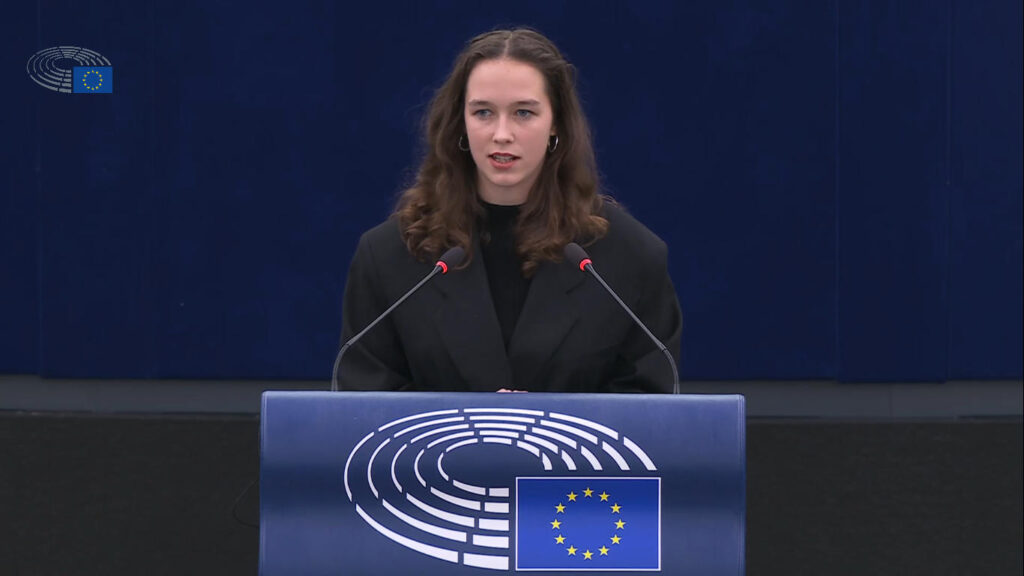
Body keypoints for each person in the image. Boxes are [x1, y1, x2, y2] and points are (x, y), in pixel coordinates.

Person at [338, 28, 681, 393]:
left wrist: (538, 420)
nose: (502, 134)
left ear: (556, 124)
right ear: (461, 121)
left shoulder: (630, 259)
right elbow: (364, 405)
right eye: (483, 112)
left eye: (523, 112)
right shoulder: (389, 256)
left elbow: (649, 408)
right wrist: (480, 420)